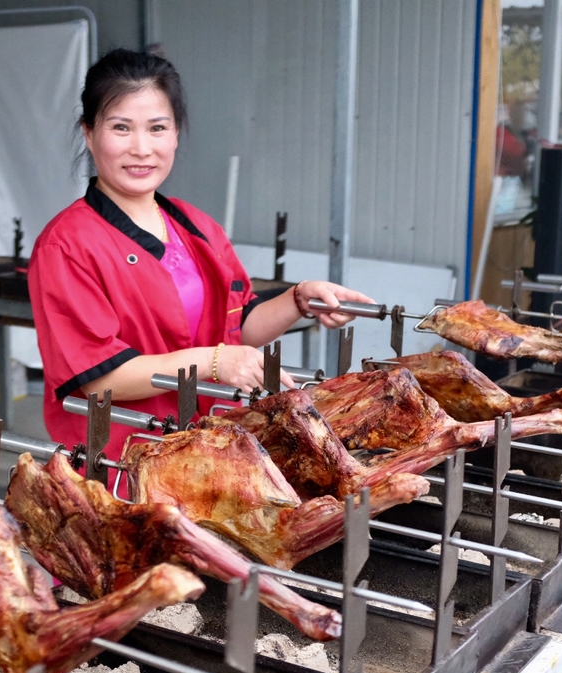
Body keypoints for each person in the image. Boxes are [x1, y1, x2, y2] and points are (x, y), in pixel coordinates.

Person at [29, 48, 375, 457]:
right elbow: (98, 378)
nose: (141, 148)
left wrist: (298, 299)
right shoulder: (66, 245)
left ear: (176, 134)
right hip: (123, 461)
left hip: (209, 451)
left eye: (157, 128)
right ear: (89, 133)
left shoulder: (196, 228)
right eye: (121, 128)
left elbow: (236, 326)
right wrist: (213, 362)